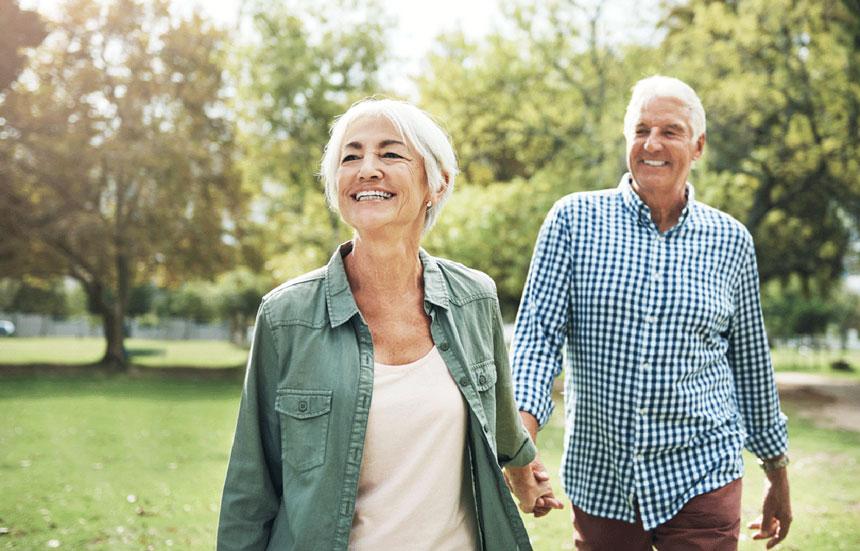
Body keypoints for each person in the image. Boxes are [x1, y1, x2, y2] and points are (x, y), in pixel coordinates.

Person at [217, 98, 555, 550]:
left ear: (437, 183)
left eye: (390, 154)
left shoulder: (475, 297)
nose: (367, 169)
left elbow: (499, 417)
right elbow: (250, 488)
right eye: (350, 156)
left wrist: (523, 471)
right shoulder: (286, 317)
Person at [508, 75, 792, 550]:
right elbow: (537, 339)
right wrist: (522, 446)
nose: (652, 144)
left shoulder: (731, 240)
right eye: (640, 130)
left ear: (698, 146)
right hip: (603, 478)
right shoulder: (572, 221)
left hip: (704, 472)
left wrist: (776, 471)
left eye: (670, 131)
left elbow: (750, 365)